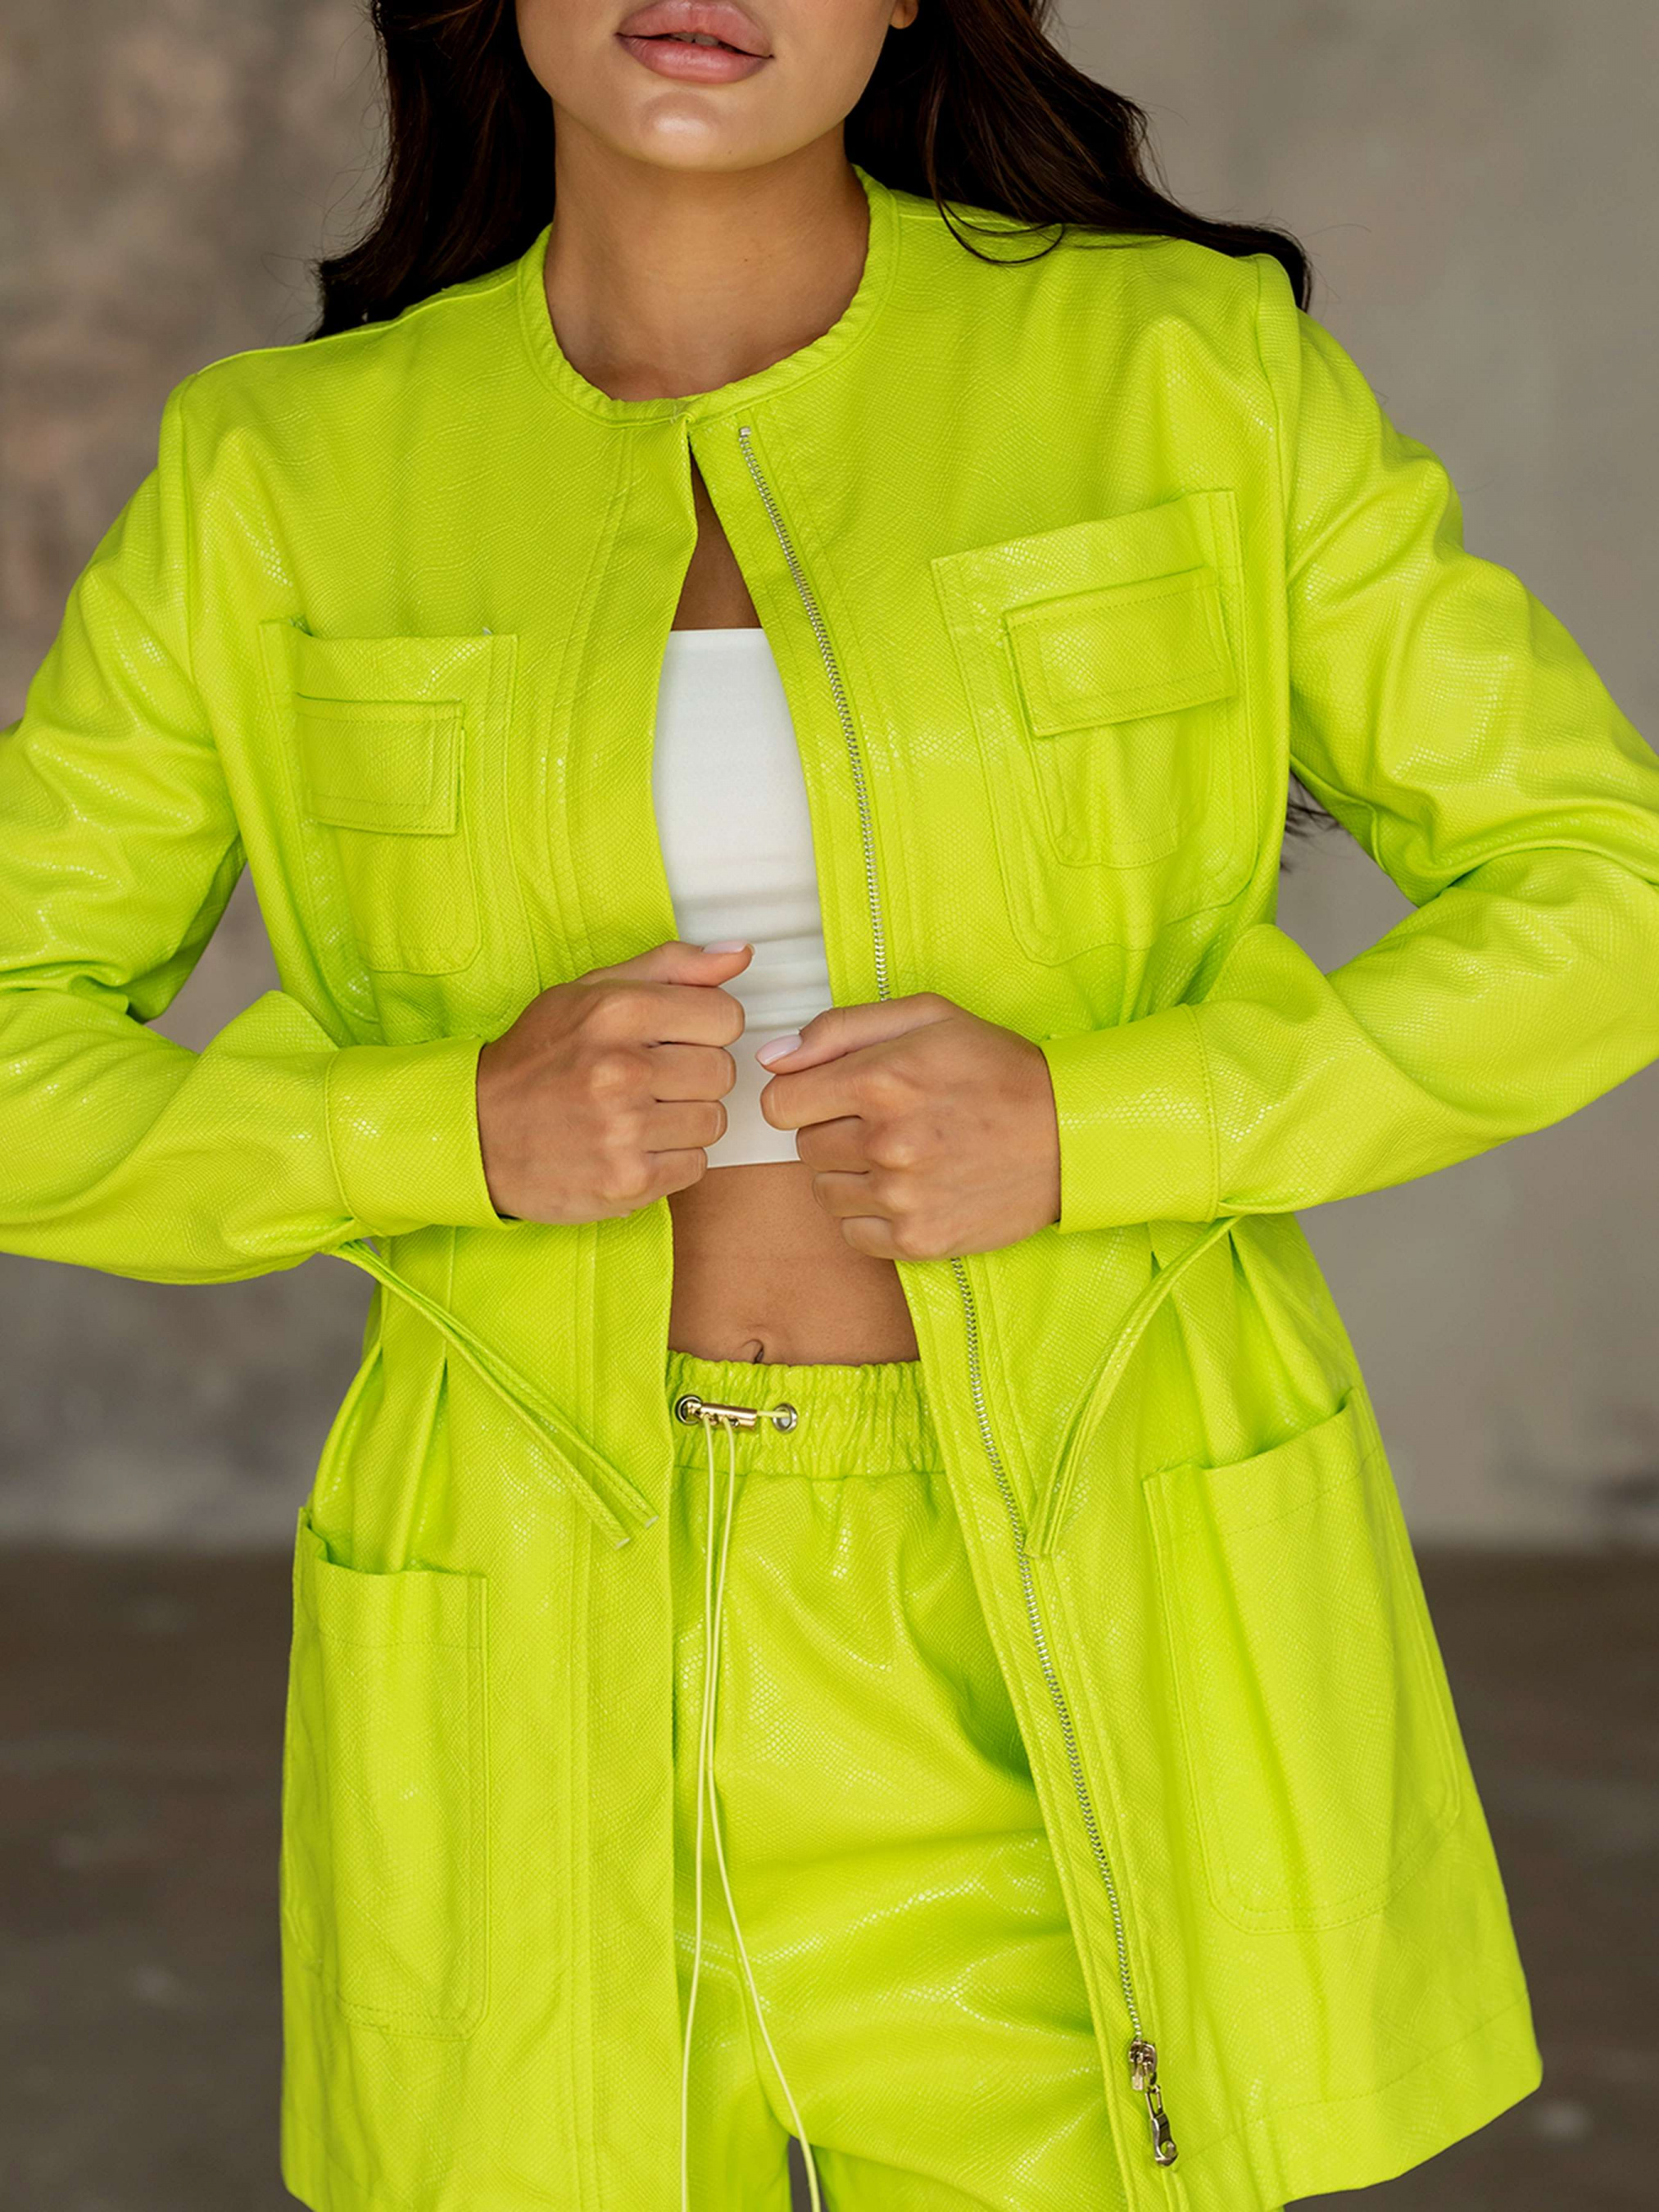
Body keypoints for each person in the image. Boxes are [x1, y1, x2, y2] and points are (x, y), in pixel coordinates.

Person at [5, 2, 1657, 2207]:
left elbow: (1600, 890)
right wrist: (435, 1133)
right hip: (532, 1615)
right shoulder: (283, 470)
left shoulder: (1179, 374)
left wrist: (1098, 1126)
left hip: (1063, 1565)